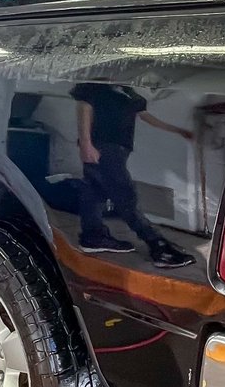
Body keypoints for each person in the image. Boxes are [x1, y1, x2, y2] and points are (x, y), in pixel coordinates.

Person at [71, 82, 196, 269]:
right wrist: (86, 143)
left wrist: (177, 130)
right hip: (103, 146)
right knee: (125, 196)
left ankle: (93, 237)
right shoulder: (98, 84)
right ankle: (158, 247)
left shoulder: (129, 92)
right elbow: (84, 107)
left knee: (94, 192)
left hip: (119, 148)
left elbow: (145, 116)